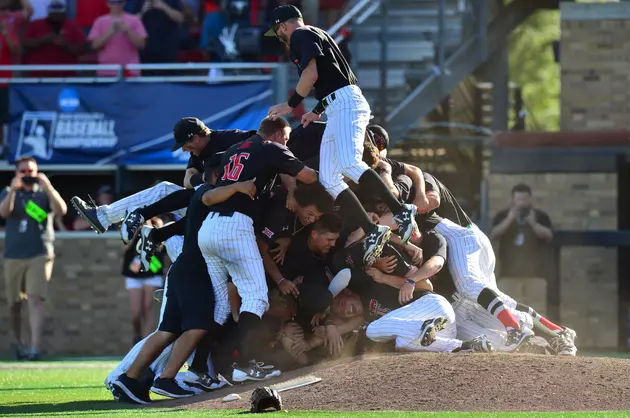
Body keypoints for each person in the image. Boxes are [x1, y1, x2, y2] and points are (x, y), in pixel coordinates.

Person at [266, 5, 421, 268]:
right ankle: (372, 231)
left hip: (345, 105)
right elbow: (333, 79)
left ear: (283, 26)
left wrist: (290, 105)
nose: (280, 37)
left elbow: (311, 74)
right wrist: (317, 110)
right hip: (339, 104)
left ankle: (401, 213)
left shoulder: (300, 36)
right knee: (329, 178)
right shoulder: (317, 33)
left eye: (279, 31)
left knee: (350, 163)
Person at [111, 177, 257, 403]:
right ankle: (166, 379)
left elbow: (181, 217)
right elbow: (204, 195)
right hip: (195, 271)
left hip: (181, 269)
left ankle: (128, 379)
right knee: (199, 326)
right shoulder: (209, 194)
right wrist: (237, 186)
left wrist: (157, 233)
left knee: (167, 330)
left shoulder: (201, 201)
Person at [197, 116, 319, 382]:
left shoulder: (234, 150)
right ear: (276, 135)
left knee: (220, 307)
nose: (286, 143)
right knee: (257, 298)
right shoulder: (271, 146)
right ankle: (243, 364)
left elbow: (210, 187)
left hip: (209, 228)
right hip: (236, 226)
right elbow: (308, 176)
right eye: (286, 139)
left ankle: (199, 369)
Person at [70, 117, 256, 240]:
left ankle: (105, 217)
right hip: (210, 206)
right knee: (166, 191)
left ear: (197, 137)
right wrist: (207, 178)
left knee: (166, 199)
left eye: (185, 144)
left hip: (236, 210)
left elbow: (260, 138)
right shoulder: (198, 153)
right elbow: (186, 181)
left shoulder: (227, 138)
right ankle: (105, 217)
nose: (183, 149)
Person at [0, 157, 67, 360]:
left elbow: (61, 210)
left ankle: (35, 348)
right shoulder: (9, 192)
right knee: (14, 303)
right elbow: (4, 213)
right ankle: (19, 343)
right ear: (16, 173)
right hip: (13, 254)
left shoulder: (44, 193)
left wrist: (49, 188)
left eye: (31, 171)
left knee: (35, 299)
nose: (28, 175)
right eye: (23, 171)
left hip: (40, 252)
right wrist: (13, 190)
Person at [490, 184, 554, 316]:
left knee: (538, 311)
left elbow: (548, 236)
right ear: (512, 200)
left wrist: (533, 224)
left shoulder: (540, 216)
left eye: (525, 199)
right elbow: (493, 235)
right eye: (519, 200)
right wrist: (510, 219)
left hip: (536, 274)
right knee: (508, 311)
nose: (522, 203)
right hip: (508, 275)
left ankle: (538, 336)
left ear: (531, 199)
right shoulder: (503, 215)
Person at [122, 216, 166, 345]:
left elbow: (160, 248)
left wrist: (148, 230)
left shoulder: (157, 224)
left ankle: (145, 344)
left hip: (152, 273)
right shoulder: (130, 228)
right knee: (136, 312)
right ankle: (137, 337)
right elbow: (125, 248)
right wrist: (135, 231)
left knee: (147, 308)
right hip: (133, 275)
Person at [22, 0, 86, 78]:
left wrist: (65, 45)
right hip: (38, 76)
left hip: (66, 77)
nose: (56, 17)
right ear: (48, 12)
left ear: (64, 13)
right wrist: (43, 40)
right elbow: (24, 44)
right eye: (54, 14)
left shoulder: (72, 27)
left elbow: (83, 48)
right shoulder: (35, 24)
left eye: (59, 14)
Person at [88, 0, 147, 77]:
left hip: (130, 71)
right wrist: (109, 33)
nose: (116, 5)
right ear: (108, 4)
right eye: (113, 2)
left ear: (124, 3)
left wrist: (128, 31)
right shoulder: (100, 21)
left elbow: (142, 45)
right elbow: (94, 46)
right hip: (106, 71)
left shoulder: (135, 20)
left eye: (119, 2)